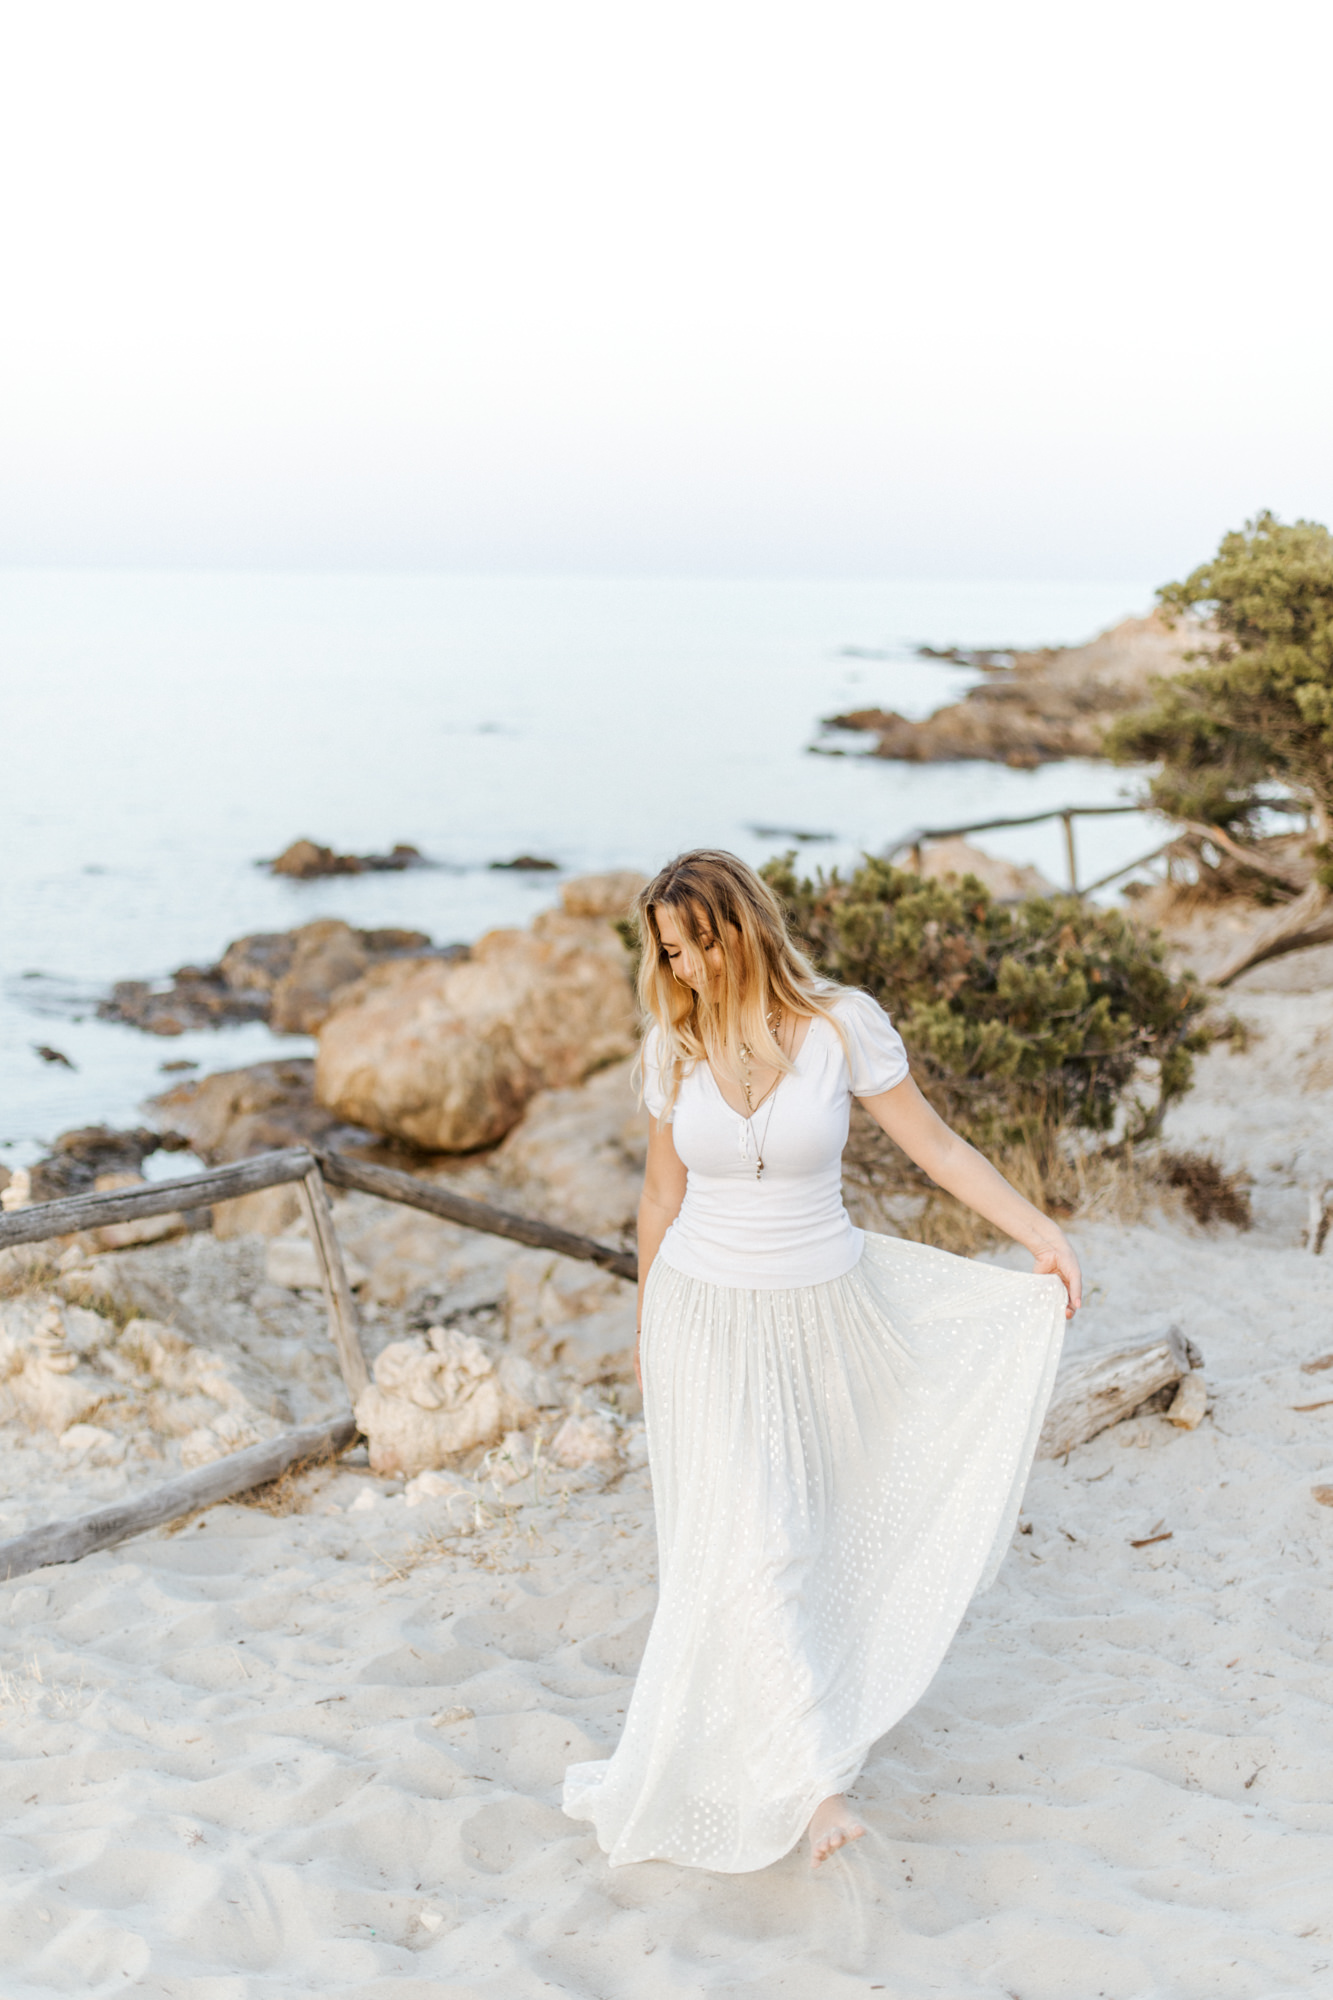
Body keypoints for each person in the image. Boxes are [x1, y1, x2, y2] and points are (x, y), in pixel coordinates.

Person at [562, 849, 1080, 1874]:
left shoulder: (842, 1024)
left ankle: (780, 1740)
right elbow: (660, 1200)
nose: (690, 968)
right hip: (701, 1318)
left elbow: (935, 1147)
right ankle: (816, 1790)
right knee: (753, 1536)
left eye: (701, 942)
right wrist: (644, 1319)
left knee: (802, 1528)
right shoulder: (673, 1043)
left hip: (824, 1310)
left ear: (744, 925)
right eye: (671, 952)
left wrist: (1039, 1232)